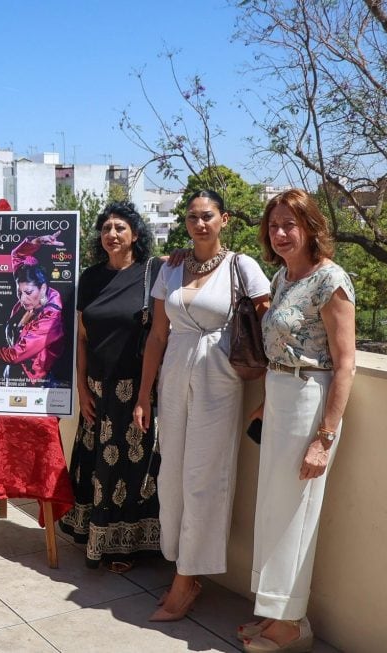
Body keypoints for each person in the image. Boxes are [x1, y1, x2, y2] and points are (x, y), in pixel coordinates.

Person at [134, 189, 270, 621]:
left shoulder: (242, 266)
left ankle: (190, 577)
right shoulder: (170, 268)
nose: (200, 224)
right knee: (171, 473)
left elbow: (269, 329)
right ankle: (179, 559)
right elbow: (157, 335)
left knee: (205, 477)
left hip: (218, 378)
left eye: (208, 216)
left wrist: (268, 394)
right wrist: (143, 395)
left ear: (224, 219)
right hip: (174, 374)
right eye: (192, 217)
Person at [238, 190, 355, 653]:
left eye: (290, 224)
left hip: (312, 399)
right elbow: (281, 349)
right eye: (274, 226)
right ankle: (276, 617)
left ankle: (290, 627)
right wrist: (268, 399)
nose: (281, 233)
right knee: (274, 509)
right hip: (283, 394)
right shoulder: (283, 276)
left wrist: (324, 438)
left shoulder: (331, 280)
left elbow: (345, 363)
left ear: (310, 227)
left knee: (296, 515)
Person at [59, 202, 163, 573]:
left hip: (137, 390)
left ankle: (127, 546)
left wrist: (143, 395)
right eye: (106, 228)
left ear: (136, 234)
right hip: (97, 391)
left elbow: (158, 335)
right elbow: (82, 338)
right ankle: (95, 537)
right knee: (97, 468)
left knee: (134, 470)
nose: (112, 234)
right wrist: (82, 390)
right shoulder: (89, 278)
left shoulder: (154, 274)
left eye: (120, 227)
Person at [0, 232, 66, 386]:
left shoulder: (51, 316)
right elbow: (16, 255)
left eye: (28, 293)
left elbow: (17, 354)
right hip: (13, 377)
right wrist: (36, 241)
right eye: (19, 292)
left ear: (43, 289)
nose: (22, 299)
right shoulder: (26, 285)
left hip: (37, 385)